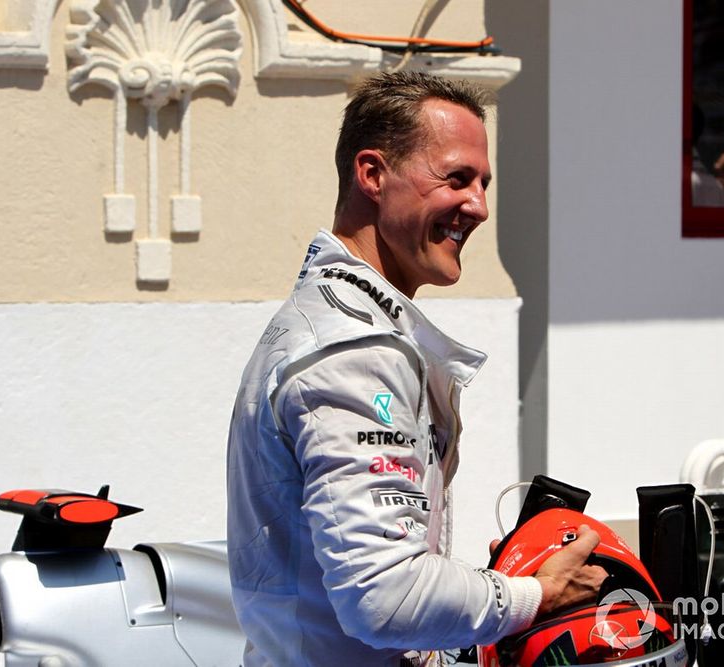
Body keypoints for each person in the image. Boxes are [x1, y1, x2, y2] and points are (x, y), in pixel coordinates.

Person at [226, 71, 606, 666]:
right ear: (372, 174)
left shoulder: (337, 322)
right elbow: (384, 598)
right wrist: (538, 594)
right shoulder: (354, 353)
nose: (477, 205)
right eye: (456, 178)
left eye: (483, 183)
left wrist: (485, 586)